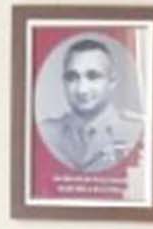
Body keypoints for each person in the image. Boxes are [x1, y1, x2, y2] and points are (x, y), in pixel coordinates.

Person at [38, 38, 146, 174]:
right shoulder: (46, 133)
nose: (82, 89)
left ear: (112, 82)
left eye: (93, 76)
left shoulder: (137, 132)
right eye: (72, 77)